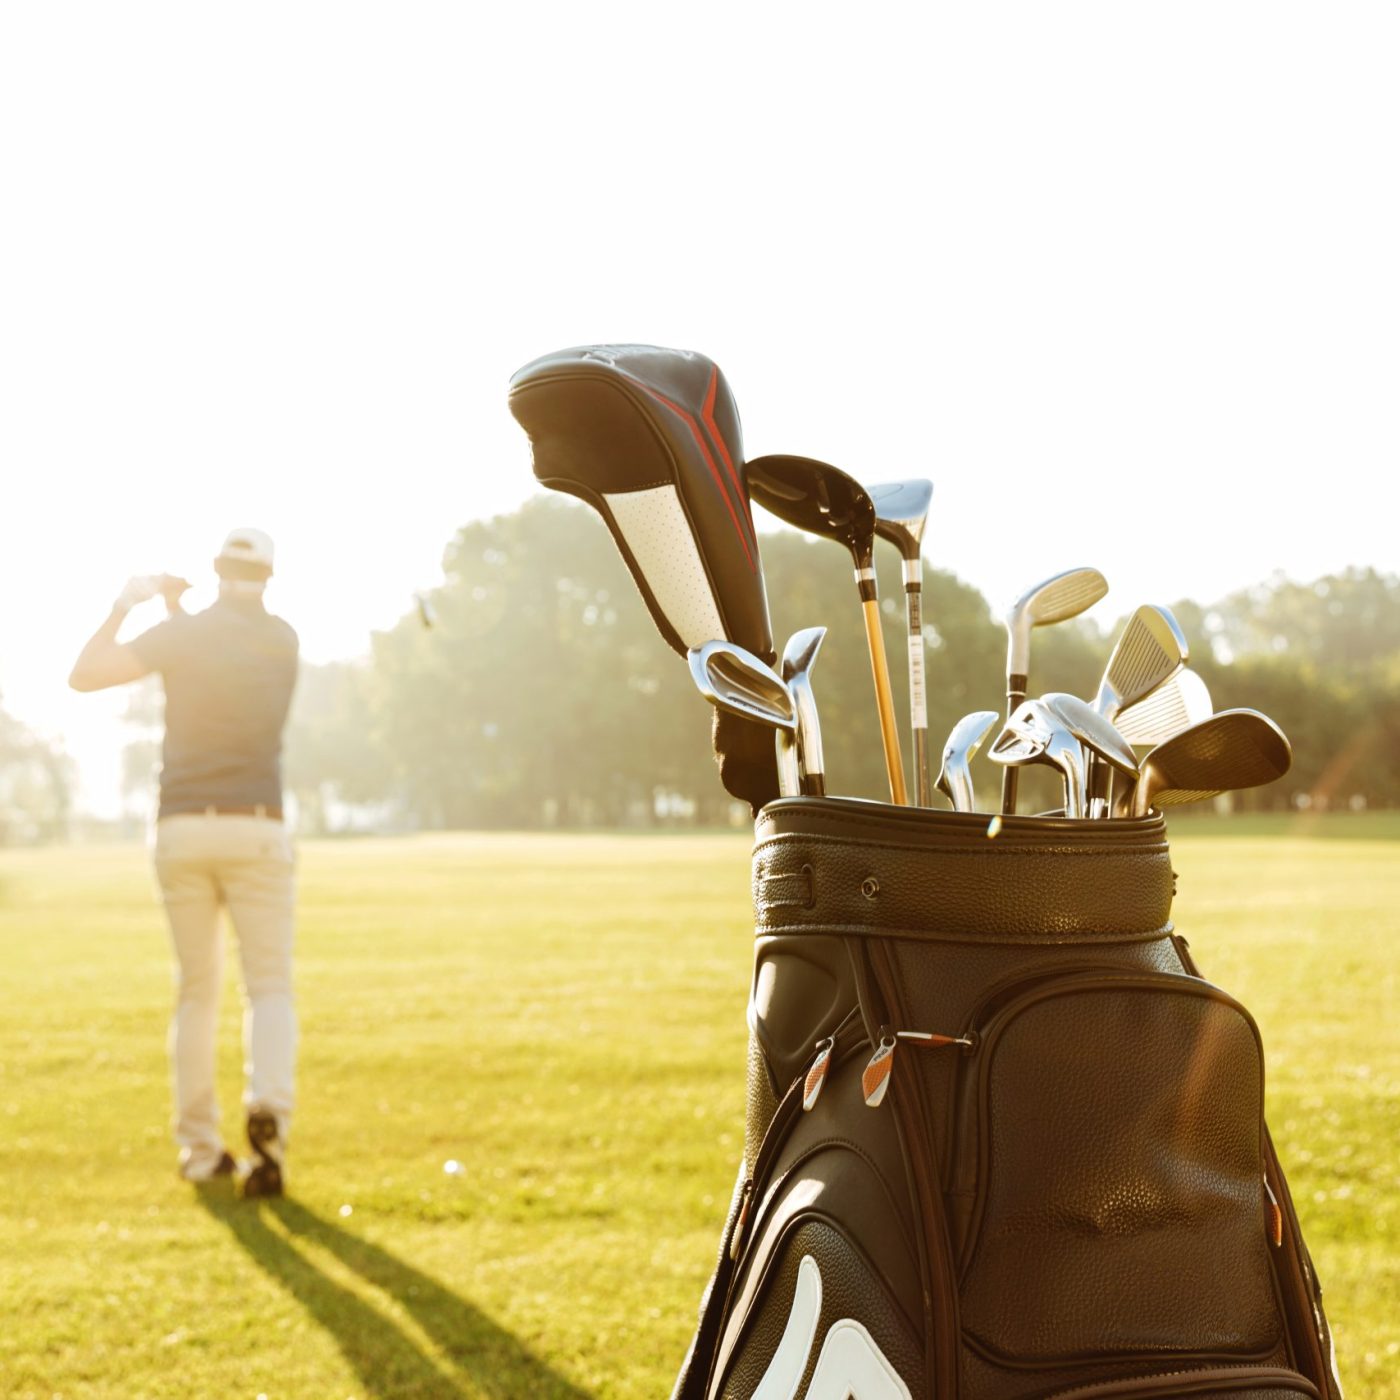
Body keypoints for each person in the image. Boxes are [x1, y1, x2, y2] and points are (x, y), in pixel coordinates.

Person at [69, 528, 299, 1195]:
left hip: (182, 829)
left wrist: (129, 604)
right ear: (270, 576)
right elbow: (222, 664)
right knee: (270, 989)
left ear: (217, 569)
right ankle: (270, 1131)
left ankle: (201, 1150)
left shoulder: (186, 634)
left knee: (198, 992)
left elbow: (85, 675)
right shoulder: (282, 639)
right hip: (257, 828)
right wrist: (178, 616)